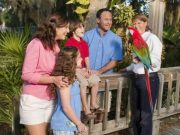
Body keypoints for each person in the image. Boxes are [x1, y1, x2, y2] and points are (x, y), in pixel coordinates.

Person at [19, 13, 69, 135]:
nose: (68, 31)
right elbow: (26, 74)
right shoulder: (36, 44)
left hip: (50, 100)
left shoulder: (56, 46)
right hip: (34, 102)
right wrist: (53, 80)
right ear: (55, 27)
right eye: (65, 27)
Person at [125, 14, 163, 135]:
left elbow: (156, 61)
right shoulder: (136, 39)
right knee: (136, 114)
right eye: (134, 23)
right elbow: (135, 64)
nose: (136, 26)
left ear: (145, 23)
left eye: (139, 23)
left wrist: (142, 58)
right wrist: (127, 68)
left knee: (146, 116)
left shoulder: (152, 38)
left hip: (149, 79)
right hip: (136, 79)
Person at [65, 18, 101, 120]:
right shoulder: (69, 43)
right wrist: (79, 70)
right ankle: (85, 108)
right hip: (74, 70)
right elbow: (69, 62)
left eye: (83, 27)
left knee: (96, 80)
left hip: (84, 69)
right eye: (80, 27)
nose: (83, 29)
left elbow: (86, 58)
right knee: (83, 83)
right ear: (73, 30)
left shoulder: (84, 43)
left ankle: (93, 103)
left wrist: (88, 68)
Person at [50, 46, 87, 135]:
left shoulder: (71, 76)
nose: (81, 59)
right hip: (63, 126)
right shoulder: (65, 80)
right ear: (72, 60)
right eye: (79, 57)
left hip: (70, 126)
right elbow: (66, 106)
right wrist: (79, 124)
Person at [83, 8, 123, 75]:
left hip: (106, 78)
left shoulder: (117, 39)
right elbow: (79, 56)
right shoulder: (87, 36)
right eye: (106, 19)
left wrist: (99, 72)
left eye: (110, 20)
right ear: (98, 20)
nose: (109, 22)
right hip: (86, 76)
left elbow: (115, 61)